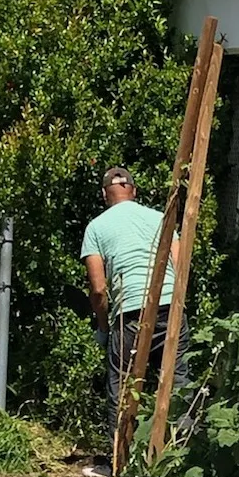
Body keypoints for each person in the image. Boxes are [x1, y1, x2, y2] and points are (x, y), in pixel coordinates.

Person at [81, 168, 170, 450]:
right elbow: (180, 268)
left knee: (121, 388)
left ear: (104, 194)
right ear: (134, 190)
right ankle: (177, 461)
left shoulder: (96, 227)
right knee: (176, 382)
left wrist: (104, 327)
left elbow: (98, 289)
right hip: (169, 307)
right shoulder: (160, 219)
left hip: (129, 315)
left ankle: (121, 465)